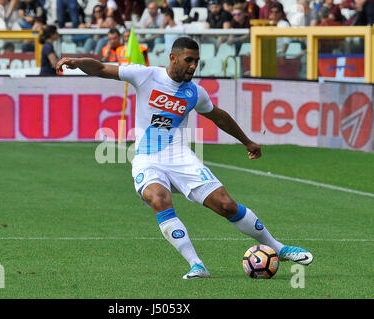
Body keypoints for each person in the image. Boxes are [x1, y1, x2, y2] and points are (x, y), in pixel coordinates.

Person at [55, 37, 314, 279]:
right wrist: (78, 63)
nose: (193, 66)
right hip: (147, 157)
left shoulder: (195, 92)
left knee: (226, 205)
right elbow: (101, 68)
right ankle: (196, 265)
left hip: (180, 157)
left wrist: (246, 141)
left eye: (196, 61)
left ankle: (278, 248)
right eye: (188, 60)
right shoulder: (146, 75)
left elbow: (218, 116)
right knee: (159, 198)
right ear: (173, 58)